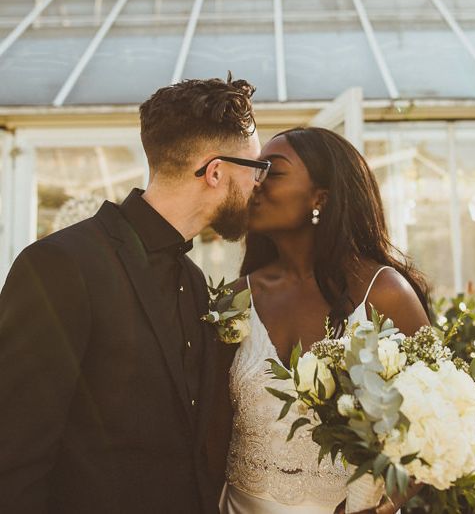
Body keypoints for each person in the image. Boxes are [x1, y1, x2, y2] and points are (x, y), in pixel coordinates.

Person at [0, 75, 265, 514]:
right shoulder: (61, 265)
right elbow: (15, 451)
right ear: (215, 171)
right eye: (254, 168)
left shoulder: (196, 283)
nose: (259, 184)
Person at [221, 127, 431, 514]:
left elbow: (433, 425)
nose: (256, 184)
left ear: (321, 197)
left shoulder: (384, 293)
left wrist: (381, 506)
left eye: (273, 172)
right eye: (257, 171)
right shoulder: (235, 297)